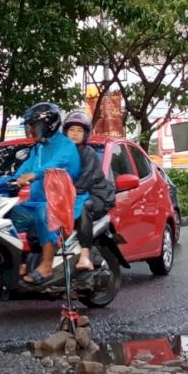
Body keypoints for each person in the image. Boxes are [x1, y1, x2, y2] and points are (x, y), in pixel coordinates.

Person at [10, 102, 84, 283]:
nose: (31, 130)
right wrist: (8, 181)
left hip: (63, 203)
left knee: (45, 213)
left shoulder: (67, 146)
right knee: (10, 213)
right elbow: (24, 168)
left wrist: (33, 175)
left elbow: (56, 165)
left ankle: (46, 265)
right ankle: (19, 261)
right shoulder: (38, 148)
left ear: (47, 125)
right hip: (37, 202)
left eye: (34, 126)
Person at [62, 111, 116, 270]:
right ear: (65, 132)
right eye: (72, 130)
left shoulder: (89, 153)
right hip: (72, 195)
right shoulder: (62, 153)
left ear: (85, 134)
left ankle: (85, 255)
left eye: (79, 131)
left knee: (85, 207)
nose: (75, 134)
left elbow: (82, 183)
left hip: (96, 195)